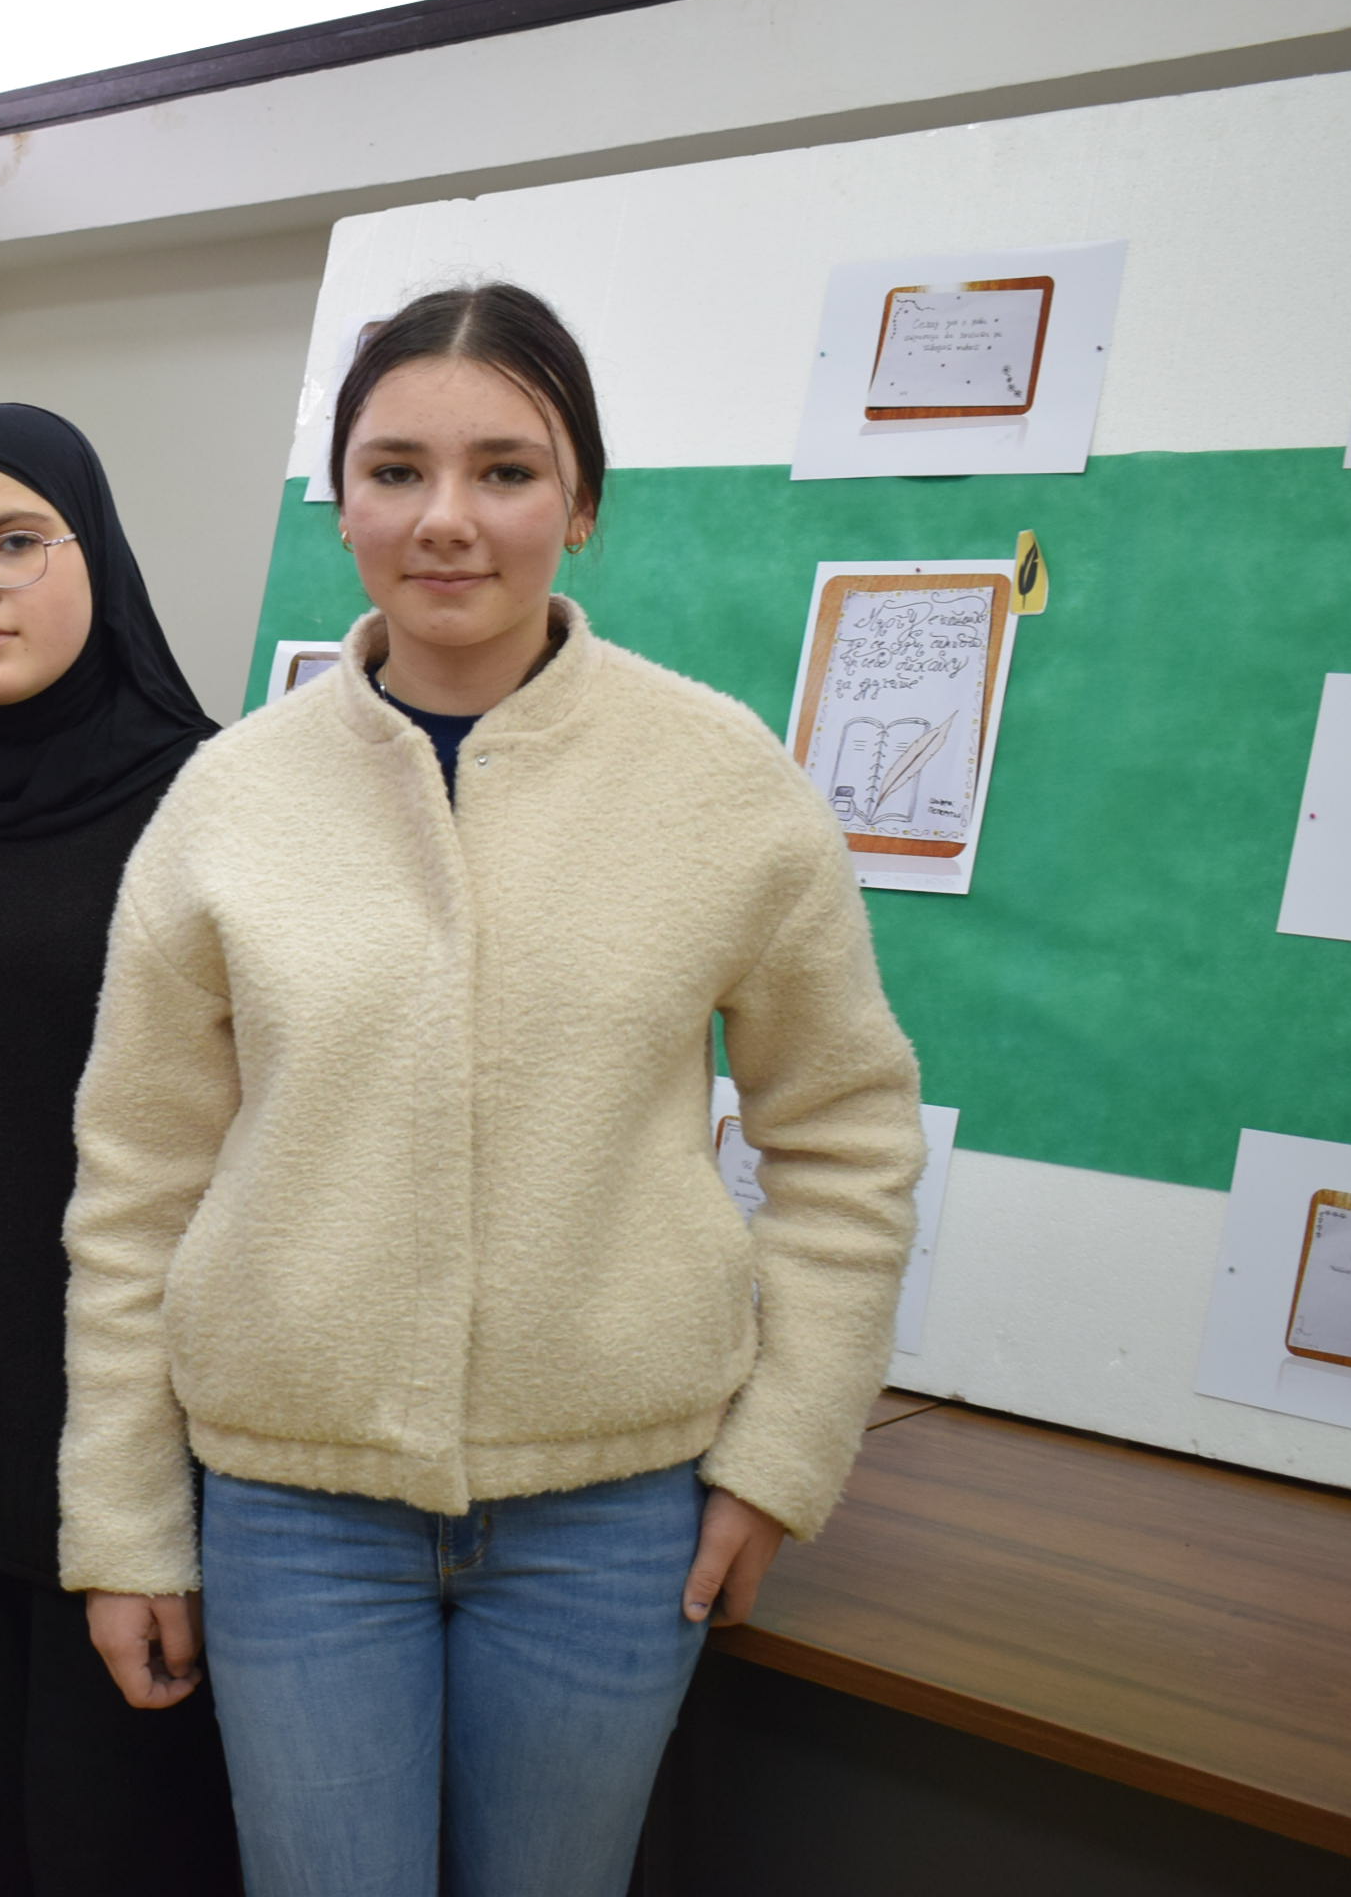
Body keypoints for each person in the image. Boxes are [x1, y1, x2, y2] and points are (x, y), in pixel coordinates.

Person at [56, 284, 929, 1897]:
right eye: (394, 471)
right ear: (341, 505)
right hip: (295, 1509)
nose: (445, 519)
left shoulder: (720, 781)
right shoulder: (229, 802)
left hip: (614, 1515)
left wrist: (782, 1455)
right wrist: (123, 1521)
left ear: (580, 503)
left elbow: (849, 1138)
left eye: (506, 471)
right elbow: (135, 1186)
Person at [0, 402, 239, 1896]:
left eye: (14, 543)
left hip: (133, 1420)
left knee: (117, 1841)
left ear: (97, 552)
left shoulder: (216, 799)